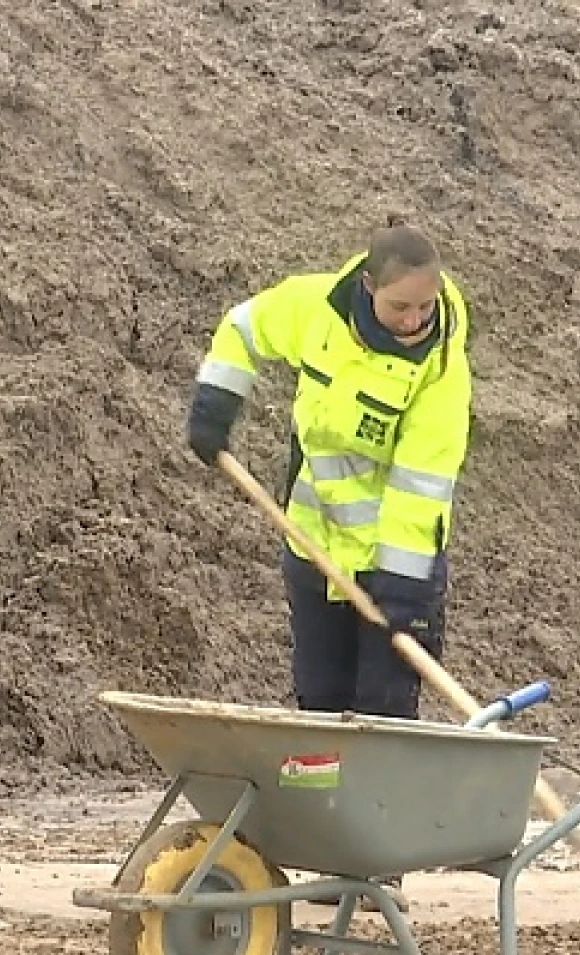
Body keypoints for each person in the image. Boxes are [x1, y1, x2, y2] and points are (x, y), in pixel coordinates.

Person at [183, 224, 473, 904]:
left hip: (395, 563)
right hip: (312, 544)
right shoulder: (316, 312)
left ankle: (373, 862)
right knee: (319, 700)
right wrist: (216, 404)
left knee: (380, 711)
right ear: (367, 288)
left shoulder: (439, 374)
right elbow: (243, 328)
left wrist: (402, 591)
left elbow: (420, 484)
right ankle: (326, 851)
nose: (414, 320)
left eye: (424, 308)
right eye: (400, 307)